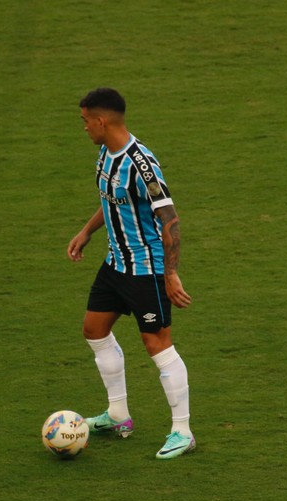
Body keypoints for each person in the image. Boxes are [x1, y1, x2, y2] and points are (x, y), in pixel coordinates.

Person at [67, 88, 195, 460]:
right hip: (115, 264)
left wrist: (170, 274)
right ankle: (118, 414)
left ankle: (182, 431)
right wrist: (87, 231)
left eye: (85, 121)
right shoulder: (105, 154)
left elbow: (169, 220)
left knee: (158, 345)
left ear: (101, 121)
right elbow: (111, 200)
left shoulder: (142, 165)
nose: (85, 128)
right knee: (94, 329)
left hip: (146, 270)